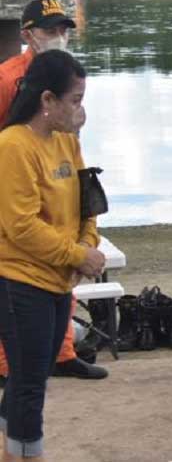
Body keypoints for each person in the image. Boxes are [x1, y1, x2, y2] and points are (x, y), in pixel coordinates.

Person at [0, 50, 107, 461]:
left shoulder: (65, 140)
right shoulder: (13, 146)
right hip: (19, 280)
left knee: (32, 376)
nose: (81, 110)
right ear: (47, 101)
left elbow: (86, 201)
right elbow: (21, 226)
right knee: (29, 383)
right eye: (75, 100)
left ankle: (12, 450)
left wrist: (88, 246)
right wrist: (75, 254)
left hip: (58, 279)